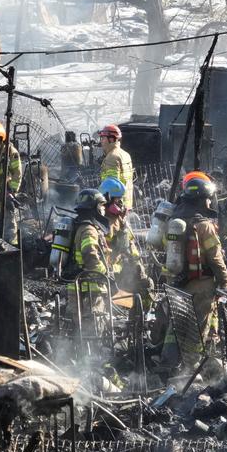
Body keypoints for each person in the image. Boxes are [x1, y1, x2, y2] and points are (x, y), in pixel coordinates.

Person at [160, 175, 227, 366]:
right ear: (203, 200)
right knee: (198, 327)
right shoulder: (204, 225)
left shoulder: (172, 223)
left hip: (175, 283)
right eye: (208, 198)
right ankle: (191, 368)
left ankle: (168, 362)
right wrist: (225, 282)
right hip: (201, 285)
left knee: (176, 324)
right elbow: (216, 258)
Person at [99, 177, 152, 307]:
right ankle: (133, 313)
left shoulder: (117, 218)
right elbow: (121, 245)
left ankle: (140, 315)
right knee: (138, 289)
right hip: (114, 266)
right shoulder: (107, 221)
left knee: (143, 285)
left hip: (126, 262)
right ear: (108, 199)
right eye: (118, 199)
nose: (121, 203)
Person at [66, 188, 111, 336]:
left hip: (76, 284)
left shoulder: (79, 225)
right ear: (95, 207)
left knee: (78, 327)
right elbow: (89, 252)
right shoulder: (89, 229)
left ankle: (79, 354)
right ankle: (94, 357)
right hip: (90, 287)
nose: (104, 209)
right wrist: (103, 271)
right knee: (93, 328)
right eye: (102, 205)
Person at [97, 123, 134, 209]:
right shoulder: (125, 154)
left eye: (103, 138)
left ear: (111, 139)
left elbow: (113, 185)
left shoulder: (112, 157)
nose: (101, 141)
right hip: (126, 204)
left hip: (114, 206)